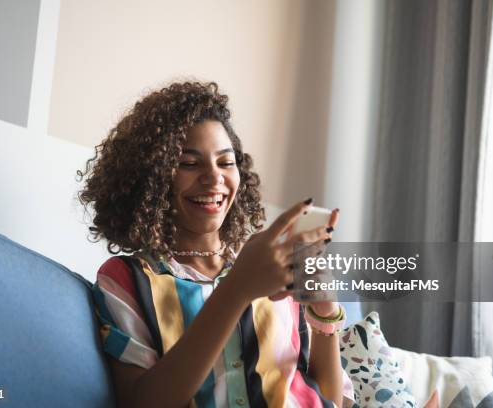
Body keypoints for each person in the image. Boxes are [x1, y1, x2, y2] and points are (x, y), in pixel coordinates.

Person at [77, 81, 355, 407]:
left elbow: (328, 398)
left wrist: (325, 311)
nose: (214, 178)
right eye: (190, 164)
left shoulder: (272, 263)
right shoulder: (126, 279)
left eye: (225, 162)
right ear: (152, 178)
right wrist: (236, 289)